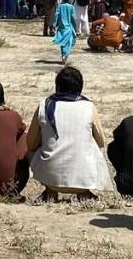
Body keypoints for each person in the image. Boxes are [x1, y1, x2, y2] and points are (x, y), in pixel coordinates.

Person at [27, 67, 113, 202]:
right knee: (95, 148)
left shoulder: (44, 105)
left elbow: (30, 143)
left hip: (50, 178)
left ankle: (50, 191)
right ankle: (85, 192)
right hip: (83, 179)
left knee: (32, 150)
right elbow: (101, 141)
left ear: (57, 86)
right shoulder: (88, 107)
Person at [53, 0, 78, 65]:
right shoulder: (71, 7)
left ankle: (63, 55)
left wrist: (56, 24)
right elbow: (73, 18)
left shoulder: (59, 6)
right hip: (69, 28)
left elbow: (56, 16)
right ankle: (65, 55)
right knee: (68, 42)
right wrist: (75, 27)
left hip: (61, 28)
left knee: (62, 43)